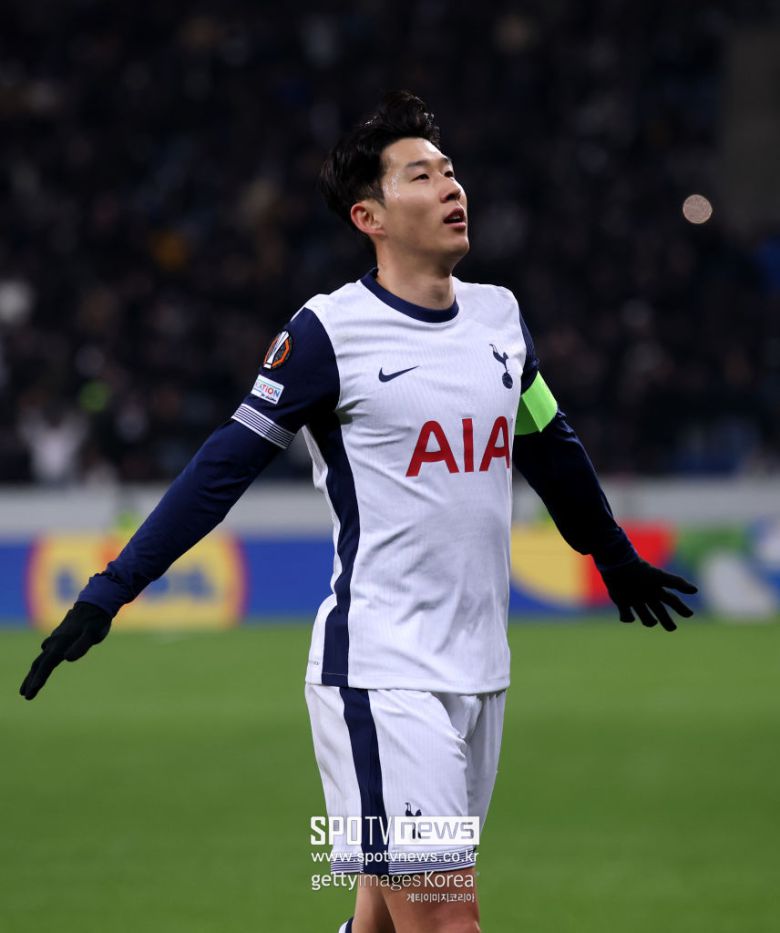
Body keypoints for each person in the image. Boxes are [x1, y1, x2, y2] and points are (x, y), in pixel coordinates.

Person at [20, 91, 697, 933]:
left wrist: (612, 553)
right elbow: (223, 466)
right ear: (368, 216)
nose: (451, 186)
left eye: (450, 170)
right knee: (447, 922)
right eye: (422, 175)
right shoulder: (328, 333)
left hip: (480, 667)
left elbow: (549, 444)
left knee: (380, 918)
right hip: (382, 671)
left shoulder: (501, 319)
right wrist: (113, 585)